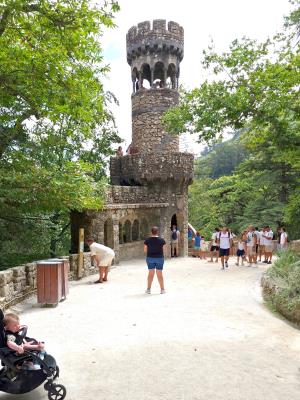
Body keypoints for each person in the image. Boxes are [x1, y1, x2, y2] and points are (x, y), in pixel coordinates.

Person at [144, 226, 166, 294]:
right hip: (159, 258)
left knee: (151, 273)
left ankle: (148, 289)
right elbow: (164, 249)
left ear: (151, 232)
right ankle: (162, 290)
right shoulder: (162, 240)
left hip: (150, 258)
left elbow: (145, 250)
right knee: (159, 273)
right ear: (157, 232)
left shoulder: (147, 240)